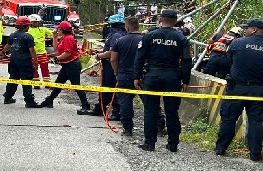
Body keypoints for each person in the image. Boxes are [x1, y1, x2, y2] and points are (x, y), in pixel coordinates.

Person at [215, 18, 263, 161]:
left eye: (247, 28)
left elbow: (230, 61)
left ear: (254, 30)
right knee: (256, 122)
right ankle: (255, 154)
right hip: (260, 90)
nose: (245, 31)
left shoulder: (237, 43)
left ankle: (221, 148)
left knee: (228, 119)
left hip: (236, 88)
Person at [134, 9, 191, 152]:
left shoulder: (149, 36)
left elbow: (139, 58)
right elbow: (186, 61)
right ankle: (173, 144)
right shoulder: (182, 39)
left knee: (150, 110)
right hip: (172, 77)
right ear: (175, 21)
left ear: (160, 19)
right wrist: (186, 80)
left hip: (152, 76)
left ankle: (149, 143)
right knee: (172, 111)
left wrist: (137, 77)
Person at [80, 14, 125, 117]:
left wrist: (100, 56)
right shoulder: (118, 34)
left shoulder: (116, 35)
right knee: (105, 88)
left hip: (111, 65)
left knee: (111, 88)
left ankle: (116, 112)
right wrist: (99, 51)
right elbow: (109, 49)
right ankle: (100, 109)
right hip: (110, 64)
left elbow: (112, 52)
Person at [40, 21, 91, 112]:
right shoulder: (64, 38)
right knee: (58, 83)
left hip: (72, 65)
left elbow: (68, 53)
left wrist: (57, 58)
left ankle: (85, 105)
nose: (57, 30)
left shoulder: (68, 39)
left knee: (76, 85)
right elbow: (56, 48)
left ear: (62, 30)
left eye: (58, 29)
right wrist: (54, 38)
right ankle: (50, 100)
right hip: (66, 65)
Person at [110, 17, 144, 136]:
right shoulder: (144, 40)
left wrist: (116, 73)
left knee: (125, 102)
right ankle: (159, 126)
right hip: (141, 76)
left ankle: (128, 128)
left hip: (124, 75)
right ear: (138, 27)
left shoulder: (119, 41)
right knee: (149, 102)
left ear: (127, 27)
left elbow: (113, 59)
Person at [1, 16, 42, 108]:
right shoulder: (28, 36)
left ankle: (7, 97)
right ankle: (29, 101)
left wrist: (2, 52)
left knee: (13, 79)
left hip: (14, 60)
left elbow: (8, 46)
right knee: (26, 80)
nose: (29, 26)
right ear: (25, 26)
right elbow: (32, 50)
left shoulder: (13, 35)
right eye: (28, 25)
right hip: (24, 61)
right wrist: (35, 61)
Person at [27, 14, 53, 88]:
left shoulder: (43, 29)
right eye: (36, 22)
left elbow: (52, 34)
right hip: (32, 54)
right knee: (34, 68)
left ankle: (47, 83)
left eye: (38, 22)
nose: (38, 23)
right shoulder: (27, 30)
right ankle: (36, 83)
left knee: (45, 68)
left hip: (42, 53)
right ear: (31, 22)